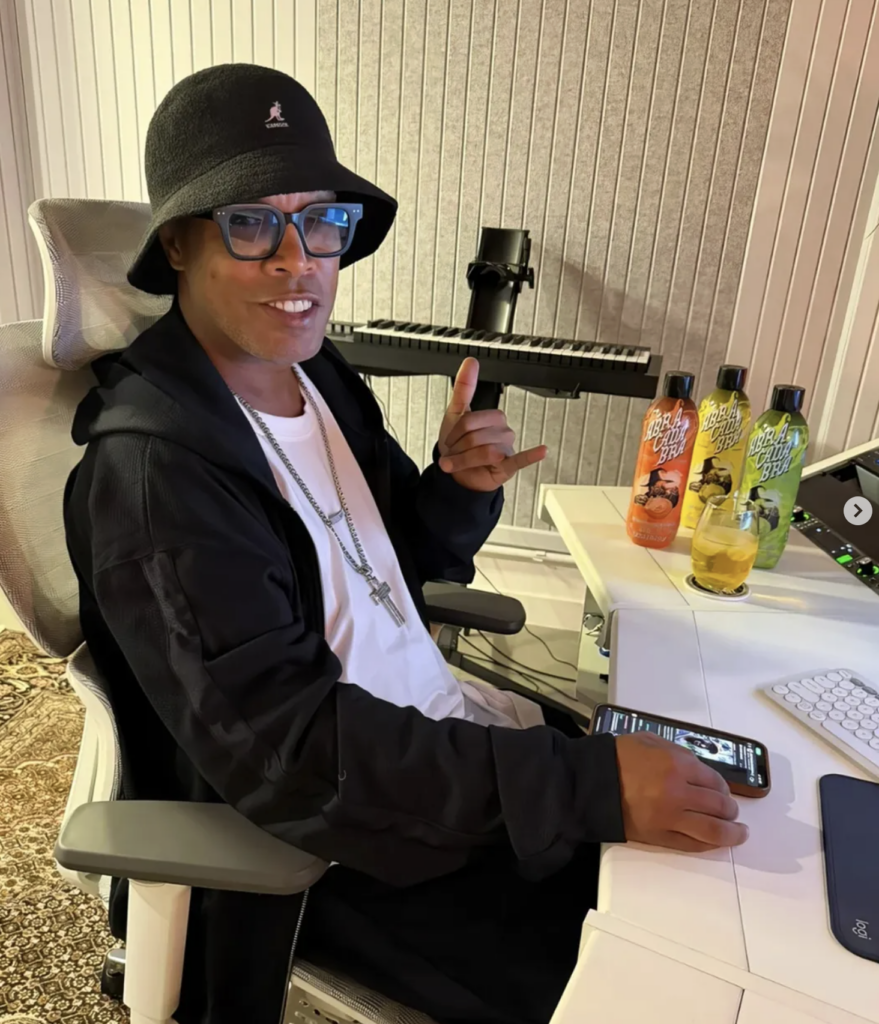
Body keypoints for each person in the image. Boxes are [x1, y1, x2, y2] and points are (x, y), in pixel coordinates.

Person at [63, 64, 748, 1024]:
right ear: (177, 243)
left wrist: (456, 491)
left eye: (323, 222)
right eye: (252, 224)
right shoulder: (156, 480)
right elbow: (288, 755)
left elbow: (392, 568)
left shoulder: (317, 378)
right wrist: (579, 787)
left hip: (443, 747)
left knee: (731, 878)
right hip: (352, 842)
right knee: (682, 987)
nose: (298, 263)